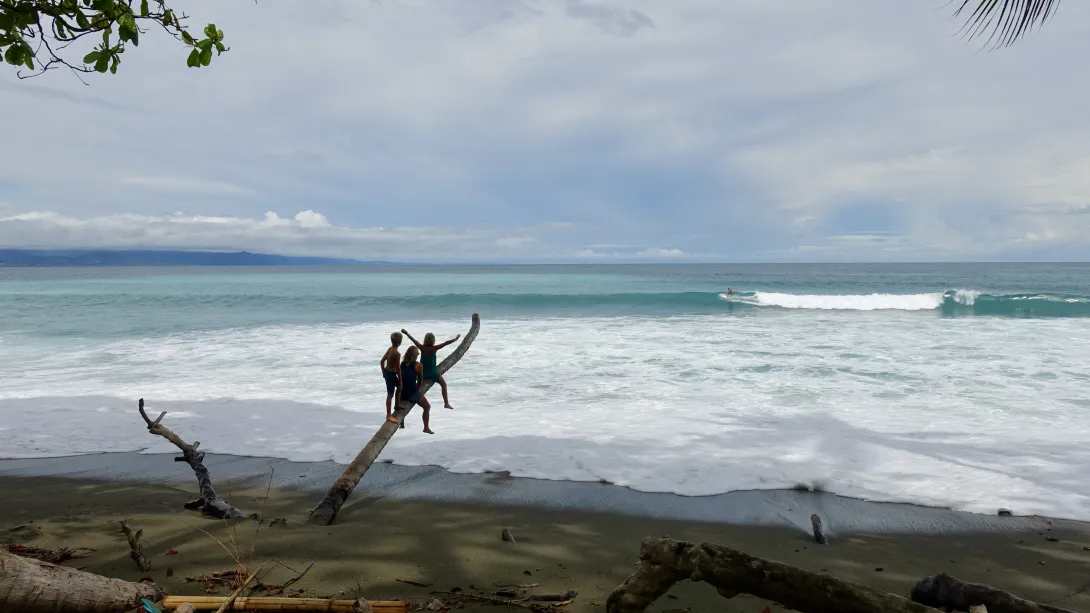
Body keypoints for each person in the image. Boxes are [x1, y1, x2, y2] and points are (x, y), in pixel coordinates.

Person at [401, 328, 460, 409]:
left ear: (425, 340)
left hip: (423, 372)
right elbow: (446, 343)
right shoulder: (434, 348)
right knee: (444, 384)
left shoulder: (422, 347)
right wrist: (456, 339)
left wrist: (406, 333)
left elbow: (413, 340)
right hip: (432, 372)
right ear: (433, 341)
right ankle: (446, 403)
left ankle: (410, 396)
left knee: (418, 385)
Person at [396, 346, 433, 434]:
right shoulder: (419, 365)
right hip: (411, 393)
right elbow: (420, 381)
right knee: (427, 406)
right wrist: (418, 389)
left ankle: (402, 423)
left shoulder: (402, 364)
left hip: (402, 393)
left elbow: (402, 377)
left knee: (402, 392)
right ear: (414, 355)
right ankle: (426, 428)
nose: (418, 354)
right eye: (417, 353)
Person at [379, 332, 403, 424]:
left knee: (399, 388)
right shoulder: (397, 354)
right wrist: (400, 380)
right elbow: (398, 368)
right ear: (400, 342)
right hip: (391, 374)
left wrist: (383, 372)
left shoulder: (390, 349)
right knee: (390, 395)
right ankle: (388, 415)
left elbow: (382, 361)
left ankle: (397, 405)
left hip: (387, 372)